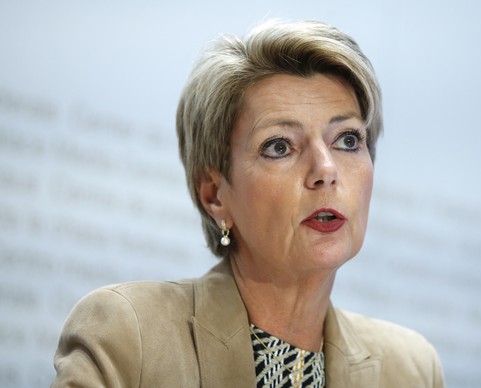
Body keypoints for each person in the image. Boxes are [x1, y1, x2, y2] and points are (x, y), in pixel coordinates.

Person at [52, 19, 445, 387]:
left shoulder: (409, 369)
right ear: (215, 195)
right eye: (279, 146)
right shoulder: (127, 335)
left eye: (347, 140)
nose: (325, 170)